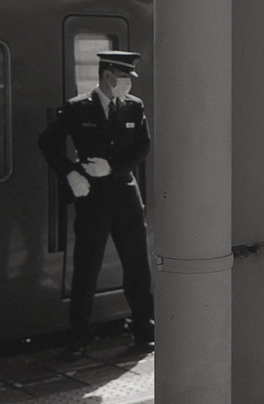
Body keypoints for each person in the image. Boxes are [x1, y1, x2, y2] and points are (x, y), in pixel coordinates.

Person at [38, 50, 154, 356]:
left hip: (126, 196)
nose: (128, 83)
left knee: (137, 265)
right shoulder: (78, 108)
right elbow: (47, 142)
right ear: (108, 76)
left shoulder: (134, 107)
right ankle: (79, 337)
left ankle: (144, 331)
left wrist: (113, 167)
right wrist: (71, 173)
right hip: (92, 198)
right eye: (124, 77)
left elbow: (143, 147)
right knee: (86, 269)